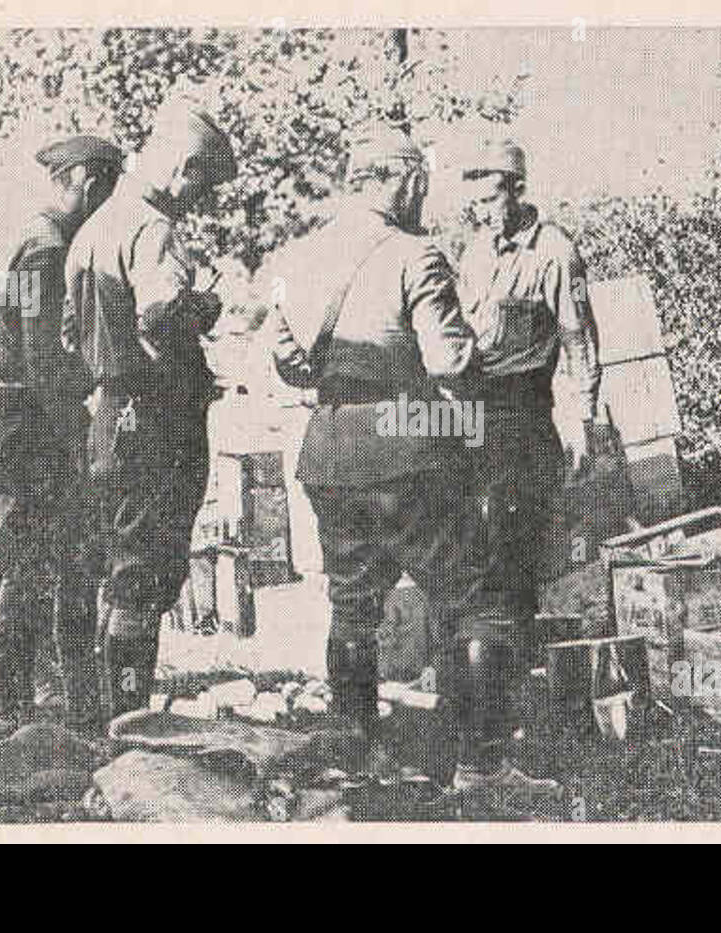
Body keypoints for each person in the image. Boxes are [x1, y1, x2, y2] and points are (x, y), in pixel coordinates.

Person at [266, 125, 562, 799]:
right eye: (419, 187)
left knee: (352, 608)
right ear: (402, 181)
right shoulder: (416, 255)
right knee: (477, 601)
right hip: (408, 446)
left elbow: (287, 365)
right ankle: (484, 769)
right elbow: (450, 363)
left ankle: (353, 762)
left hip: (329, 447)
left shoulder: (295, 256)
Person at [62, 99, 236, 724]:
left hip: (109, 414)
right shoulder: (152, 228)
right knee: (146, 574)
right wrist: (205, 310)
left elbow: (66, 335)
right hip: (156, 418)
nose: (201, 203)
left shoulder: (92, 228)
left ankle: (108, 709)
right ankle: (129, 721)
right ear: (183, 168)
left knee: (119, 567)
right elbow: (162, 315)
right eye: (204, 188)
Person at [0, 135, 123, 734]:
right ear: (88, 180)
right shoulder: (46, 250)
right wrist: (83, 424)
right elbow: (42, 362)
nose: (108, 203)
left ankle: (79, 703)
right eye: (107, 188)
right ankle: (15, 711)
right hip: (30, 429)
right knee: (29, 568)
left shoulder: (47, 243)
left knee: (72, 564)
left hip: (37, 421)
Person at [455, 139, 603, 649]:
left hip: (523, 413)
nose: (482, 213)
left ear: (518, 190)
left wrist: (584, 421)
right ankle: (487, 663)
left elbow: (578, 336)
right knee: (473, 543)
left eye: (491, 200)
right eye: (474, 203)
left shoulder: (557, 252)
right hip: (472, 411)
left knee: (514, 545)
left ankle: (510, 668)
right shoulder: (472, 251)